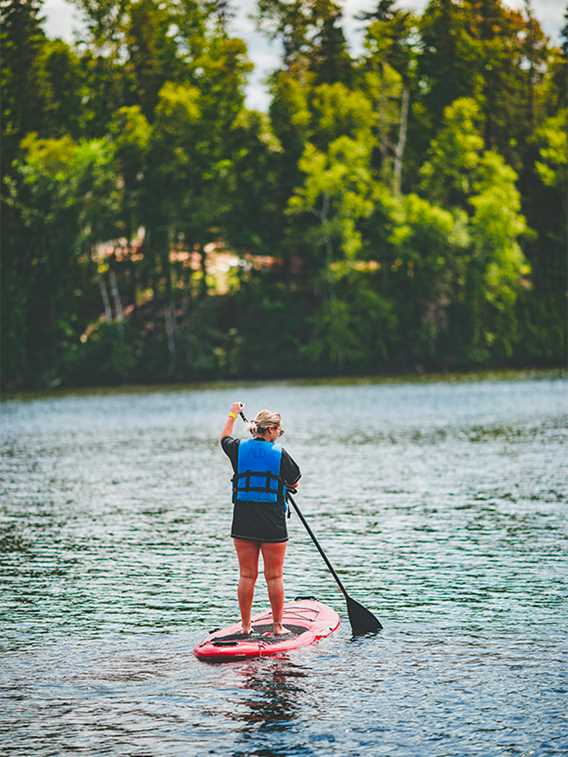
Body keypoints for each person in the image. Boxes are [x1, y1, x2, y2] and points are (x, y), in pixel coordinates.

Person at [220, 402, 301, 636]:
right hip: (272, 523)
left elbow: (224, 437)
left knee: (247, 575)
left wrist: (234, 411)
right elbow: (294, 482)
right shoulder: (279, 453)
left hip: (243, 521)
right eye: (279, 431)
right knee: (274, 576)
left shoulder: (237, 448)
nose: (279, 435)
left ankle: (246, 626)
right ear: (272, 429)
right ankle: (277, 626)